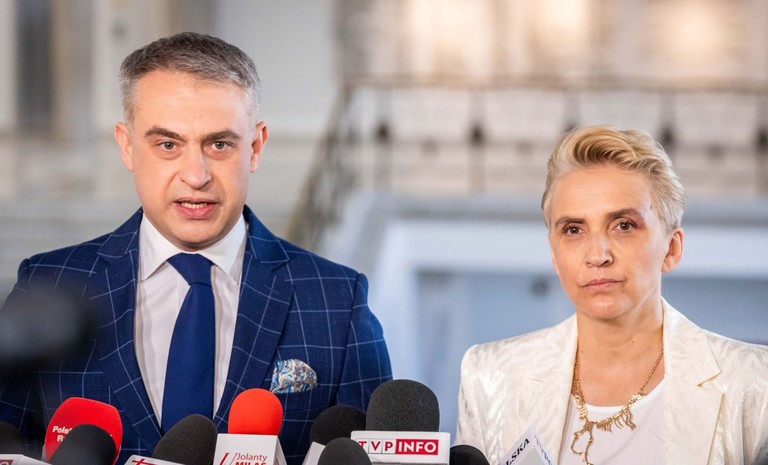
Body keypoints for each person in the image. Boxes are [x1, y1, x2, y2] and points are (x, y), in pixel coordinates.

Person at [0, 32, 392, 464]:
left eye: (219, 144)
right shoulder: (49, 284)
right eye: (168, 145)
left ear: (255, 147)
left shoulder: (338, 300)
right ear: (127, 146)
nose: (196, 175)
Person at [455, 126, 768, 465]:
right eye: (573, 230)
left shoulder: (755, 383)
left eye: (623, 225)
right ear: (554, 254)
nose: (597, 255)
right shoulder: (490, 376)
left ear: (671, 249)